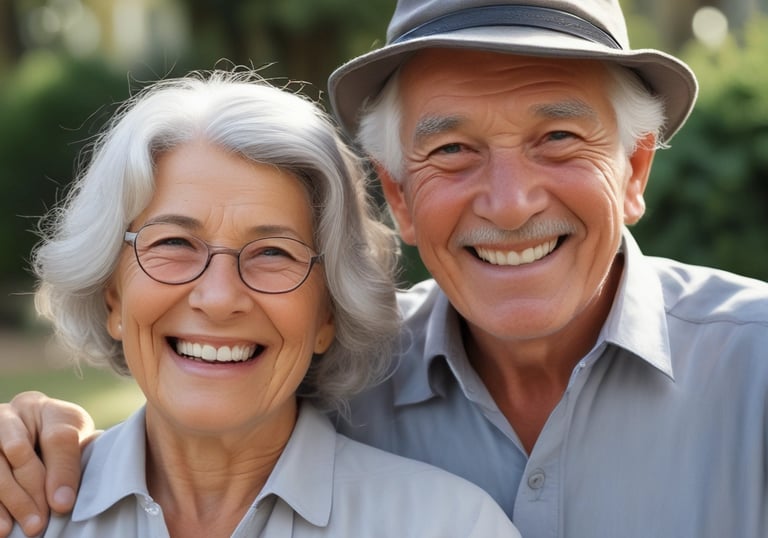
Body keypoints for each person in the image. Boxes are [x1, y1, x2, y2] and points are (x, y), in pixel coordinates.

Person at [2, 0, 768, 536]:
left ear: (635, 171)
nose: (507, 204)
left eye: (559, 137)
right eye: (452, 150)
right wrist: (36, 438)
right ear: (398, 195)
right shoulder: (328, 366)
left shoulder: (755, 369)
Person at [1, 70, 520, 537]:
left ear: (328, 313)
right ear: (113, 295)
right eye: (174, 244)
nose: (220, 297)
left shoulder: (447, 526)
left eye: (273, 252)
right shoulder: (22, 515)